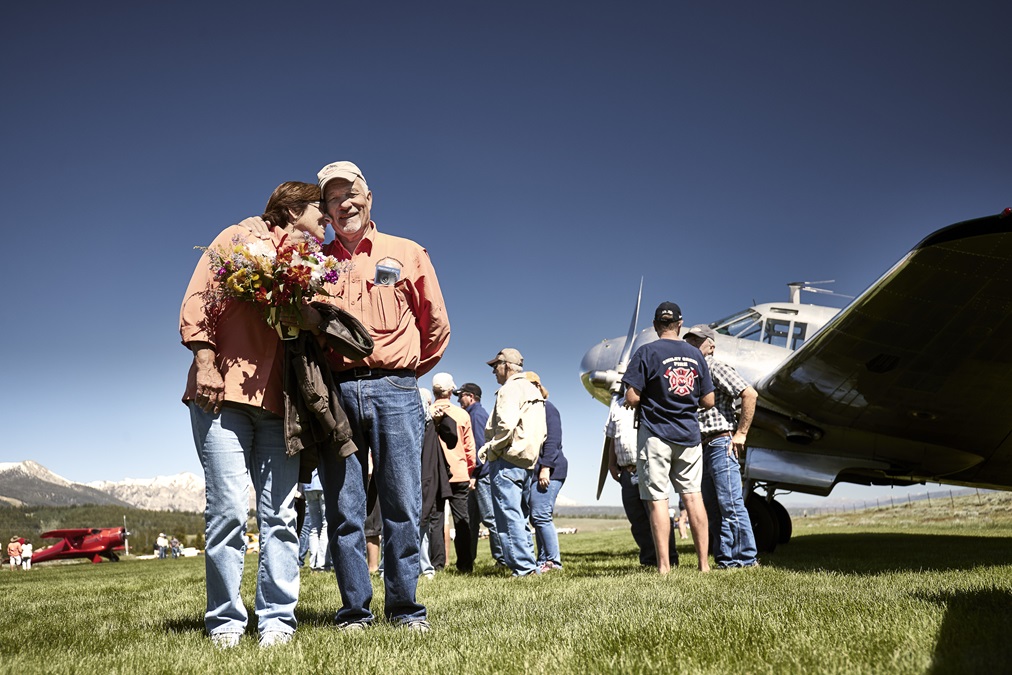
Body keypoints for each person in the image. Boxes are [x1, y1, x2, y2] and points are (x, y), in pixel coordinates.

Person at [180, 181, 330, 648]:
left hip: (279, 404)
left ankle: (277, 621)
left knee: (281, 515)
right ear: (290, 210)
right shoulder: (236, 240)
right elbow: (198, 300)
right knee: (226, 511)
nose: (325, 220)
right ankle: (225, 622)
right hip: (221, 395)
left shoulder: (313, 264)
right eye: (318, 212)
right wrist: (205, 362)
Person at [311, 161, 449, 632]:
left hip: (396, 389)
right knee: (344, 508)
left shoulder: (406, 252)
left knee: (402, 504)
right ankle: (354, 613)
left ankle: (406, 610)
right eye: (332, 198)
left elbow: (436, 325)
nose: (343, 203)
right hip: (335, 393)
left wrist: (405, 373)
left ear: (369, 199)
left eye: (350, 193)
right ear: (325, 210)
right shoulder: (317, 264)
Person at [622, 302, 715, 574]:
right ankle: (704, 565)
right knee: (693, 498)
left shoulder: (646, 352)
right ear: (680, 324)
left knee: (658, 500)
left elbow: (632, 396)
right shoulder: (695, 355)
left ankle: (664, 567)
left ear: (655, 325)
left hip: (655, 435)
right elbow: (709, 400)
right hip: (688, 435)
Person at [683, 324, 760, 569]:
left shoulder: (715, 367)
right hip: (703, 447)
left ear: (711, 345)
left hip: (720, 442)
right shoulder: (694, 373)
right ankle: (726, 559)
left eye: (698, 341)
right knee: (713, 507)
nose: (692, 345)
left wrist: (741, 434)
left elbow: (749, 394)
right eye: (690, 341)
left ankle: (746, 559)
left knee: (730, 503)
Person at [478, 348, 547, 577]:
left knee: (509, 516)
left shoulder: (509, 389)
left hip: (507, 460)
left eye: (495, 366)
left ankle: (524, 568)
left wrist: (491, 448)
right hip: (528, 461)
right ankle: (529, 563)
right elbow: (543, 432)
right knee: (521, 515)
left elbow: (506, 426)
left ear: (506, 365)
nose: (493, 371)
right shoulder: (533, 389)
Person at [604, 396, 679, 567]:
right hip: (626, 470)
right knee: (637, 519)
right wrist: (611, 464)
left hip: (649, 466)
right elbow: (612, 438)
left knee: (657, 514)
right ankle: (649, 560)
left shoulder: (650, 399)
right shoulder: (616, 405)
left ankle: (670, 560)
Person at [428, 372, 476, 572]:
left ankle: (436, 564)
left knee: (436, 519)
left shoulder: (426, 412)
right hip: (458, 472)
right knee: (461, 518)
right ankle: (465, 564)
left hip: (433, 474)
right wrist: (469, 470)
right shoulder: (462, 414)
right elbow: (469, 448)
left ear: (434, 391)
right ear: (450, 391)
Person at [524, 372, 568, 572]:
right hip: (538, 471)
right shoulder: (531, 410)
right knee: (536, 517)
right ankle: (543, 561)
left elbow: (553, 441)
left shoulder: (547, 409)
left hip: (550, 470)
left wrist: (545, 468)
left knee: (541, 515)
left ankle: (553, 561)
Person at [457, 383, 503, 567]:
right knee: (472, 521)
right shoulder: (477, 414)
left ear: (471, 396)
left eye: (460, 396)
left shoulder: (475, 416)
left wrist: (474, 474)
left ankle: (502, 559)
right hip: (479, 475)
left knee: (490, 518)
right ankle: (468, 560)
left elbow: (477, 448)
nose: (458, 399)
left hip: (480, 476)